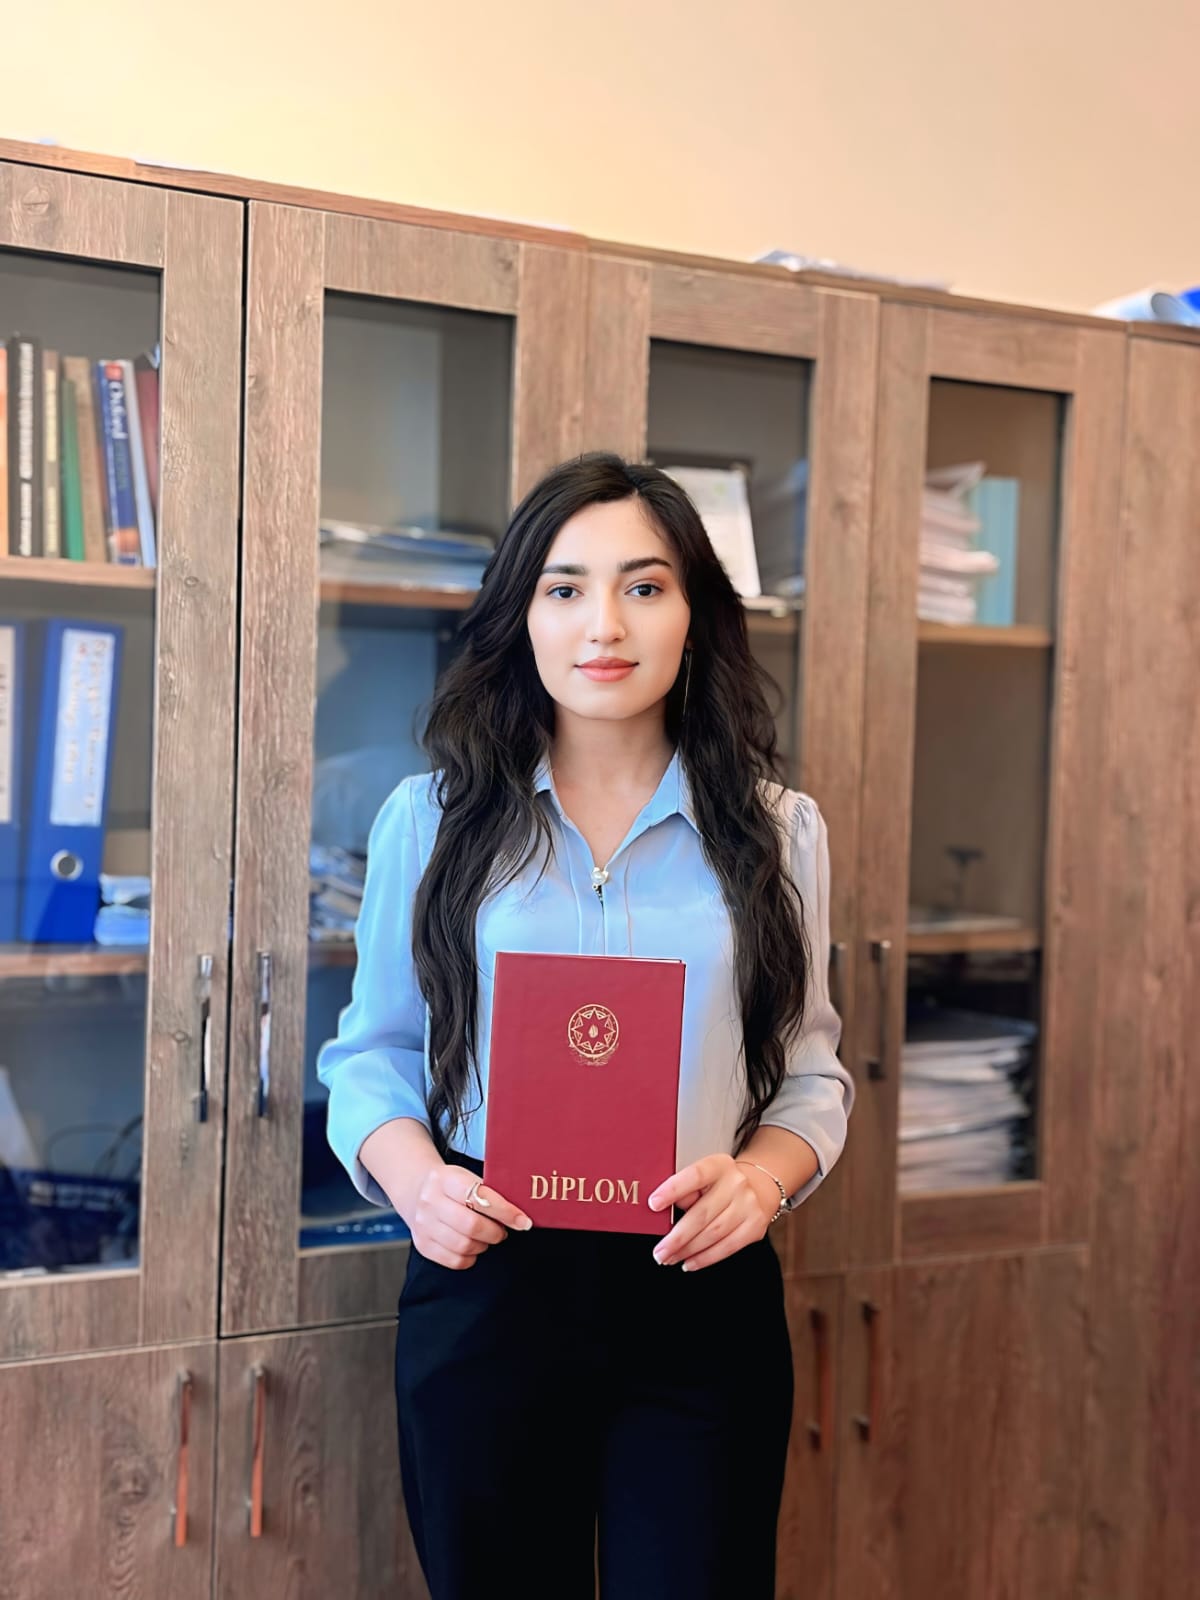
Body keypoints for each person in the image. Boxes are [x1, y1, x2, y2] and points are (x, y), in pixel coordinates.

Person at [316, 452, 856, 1600]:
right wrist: (417, 1184)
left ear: (695, 615)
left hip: (697, 1284)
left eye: (644, 586)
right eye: (565, 587)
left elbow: (810, 1071)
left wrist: (762, 1182)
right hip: (489, 1279)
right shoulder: (434, 820)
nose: (604, 623)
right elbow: (373, 1054)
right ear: (521, 615)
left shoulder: (779, 833)